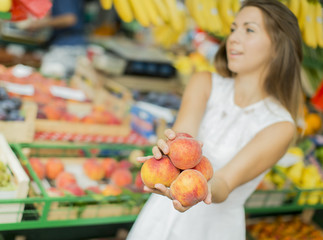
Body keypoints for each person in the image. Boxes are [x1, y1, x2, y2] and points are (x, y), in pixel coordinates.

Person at [127, 0, 304, 239]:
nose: (233, 38)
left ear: (278, 47)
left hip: (213, 230)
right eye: (233, 29)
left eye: (249, 30)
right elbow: (182, 141)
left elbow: (225, 183)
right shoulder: (204, 83)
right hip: (159, 219)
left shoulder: (280, 126)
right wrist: (166, 150)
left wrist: (204, 189)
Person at [26, 0, 87, 78]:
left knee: (49, 80)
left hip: (66, 48)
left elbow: (70, 19)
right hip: (72, 46)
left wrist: (41, 23)